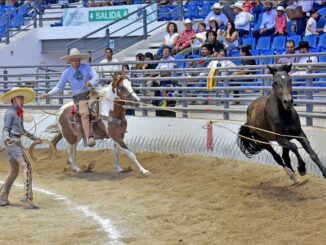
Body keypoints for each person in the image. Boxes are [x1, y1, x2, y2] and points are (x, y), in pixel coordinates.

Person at [41, 48, 99, 147]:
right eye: (75, 60)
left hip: (92, 93)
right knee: (84, 113)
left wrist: (91, 82)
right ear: (70, 61)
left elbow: (96, 76)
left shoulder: (87, 67)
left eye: (79, 60)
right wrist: (49, 94)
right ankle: (89, 136)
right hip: (79, 98)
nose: (77, 62)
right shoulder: (67, 73)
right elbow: (59, 87)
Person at [0, 87, 40, 209]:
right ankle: (27, 196)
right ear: (13, 99)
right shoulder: (10, 112)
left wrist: (34, 138)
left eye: (22, 98)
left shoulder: (19, 113)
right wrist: (7, 138)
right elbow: (5, 129)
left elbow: (22, 130)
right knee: (26, 166)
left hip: (15, 142)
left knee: (14, 171)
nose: (21, 100)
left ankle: (2, 197)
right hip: (11, 142)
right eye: (19, 98)